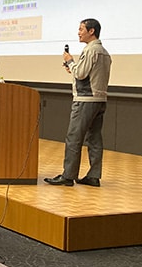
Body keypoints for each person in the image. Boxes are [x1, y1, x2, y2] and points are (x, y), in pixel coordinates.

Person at [45, 18, 112, 187]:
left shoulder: (90, 50)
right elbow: (88, 75)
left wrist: (70, 61)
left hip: (85, 100)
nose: (78, 32)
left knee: (74, 138)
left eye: (82, 29)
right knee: (95, 139)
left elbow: (81, 74)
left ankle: (68, 176)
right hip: (100, 99)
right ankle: (93, 176)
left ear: (91, 31)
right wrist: (73, 69)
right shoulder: (104, 52)